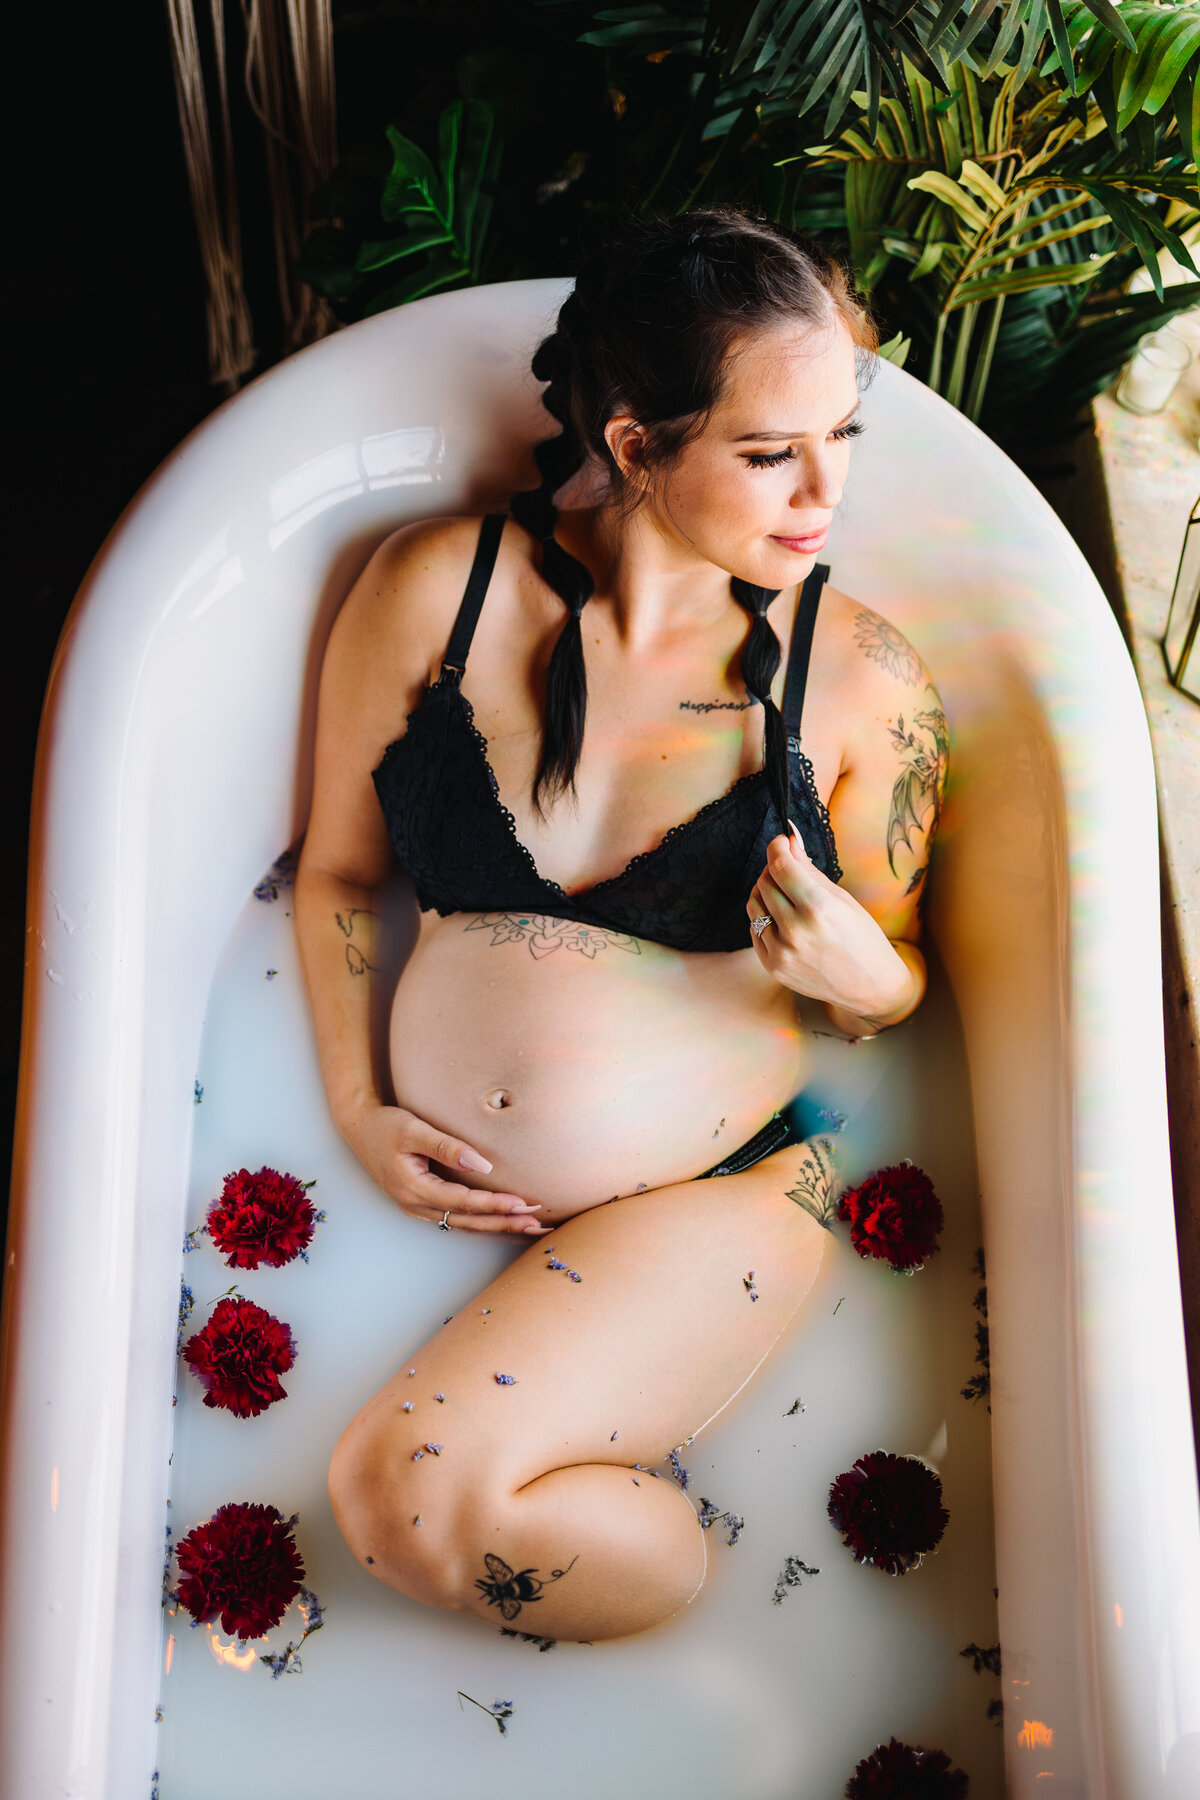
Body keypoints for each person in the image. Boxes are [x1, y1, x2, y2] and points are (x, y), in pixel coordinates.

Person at [294, 208, 947, 1645]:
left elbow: (893, 991)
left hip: (712, 1197)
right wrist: (355, 1106)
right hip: (451, 1197)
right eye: (771, 452)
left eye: (846, 432)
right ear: (637, 443)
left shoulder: (860, 685)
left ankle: (746, 1628)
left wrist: (866, 976)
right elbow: (338, 879)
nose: (824, 490)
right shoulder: (433, 593)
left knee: (406, 1499)